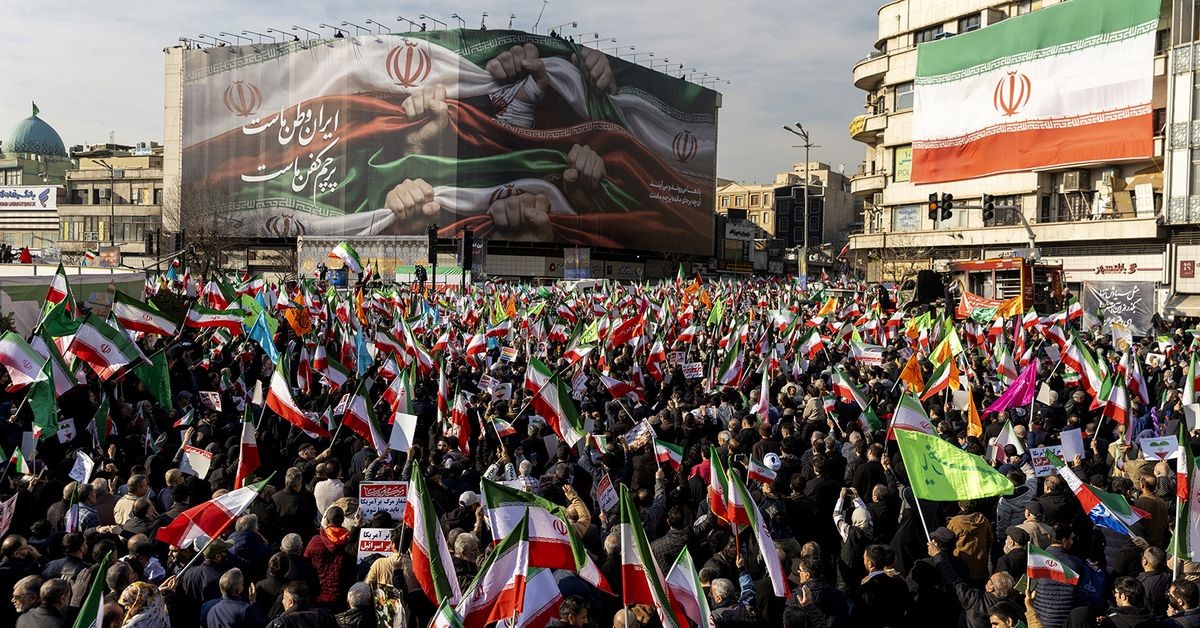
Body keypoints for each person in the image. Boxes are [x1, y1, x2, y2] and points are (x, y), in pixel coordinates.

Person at [304, 506, 354, 611]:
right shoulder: (348, 543)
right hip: (340, 597)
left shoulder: (315, 541)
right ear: (343, 520)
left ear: (327, 520)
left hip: (317, 596)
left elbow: (305, 561)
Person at [201, 567, 266, 628]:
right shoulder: (245, 610)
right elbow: (261, 625)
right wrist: (253, 603)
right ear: (238, 590)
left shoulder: (206, 606)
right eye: (242, 583)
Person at [265, 581, 338, 628]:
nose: (282, 601)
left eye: (284, 598)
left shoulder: (282, 623)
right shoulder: (325, 615)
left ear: (291, 602)